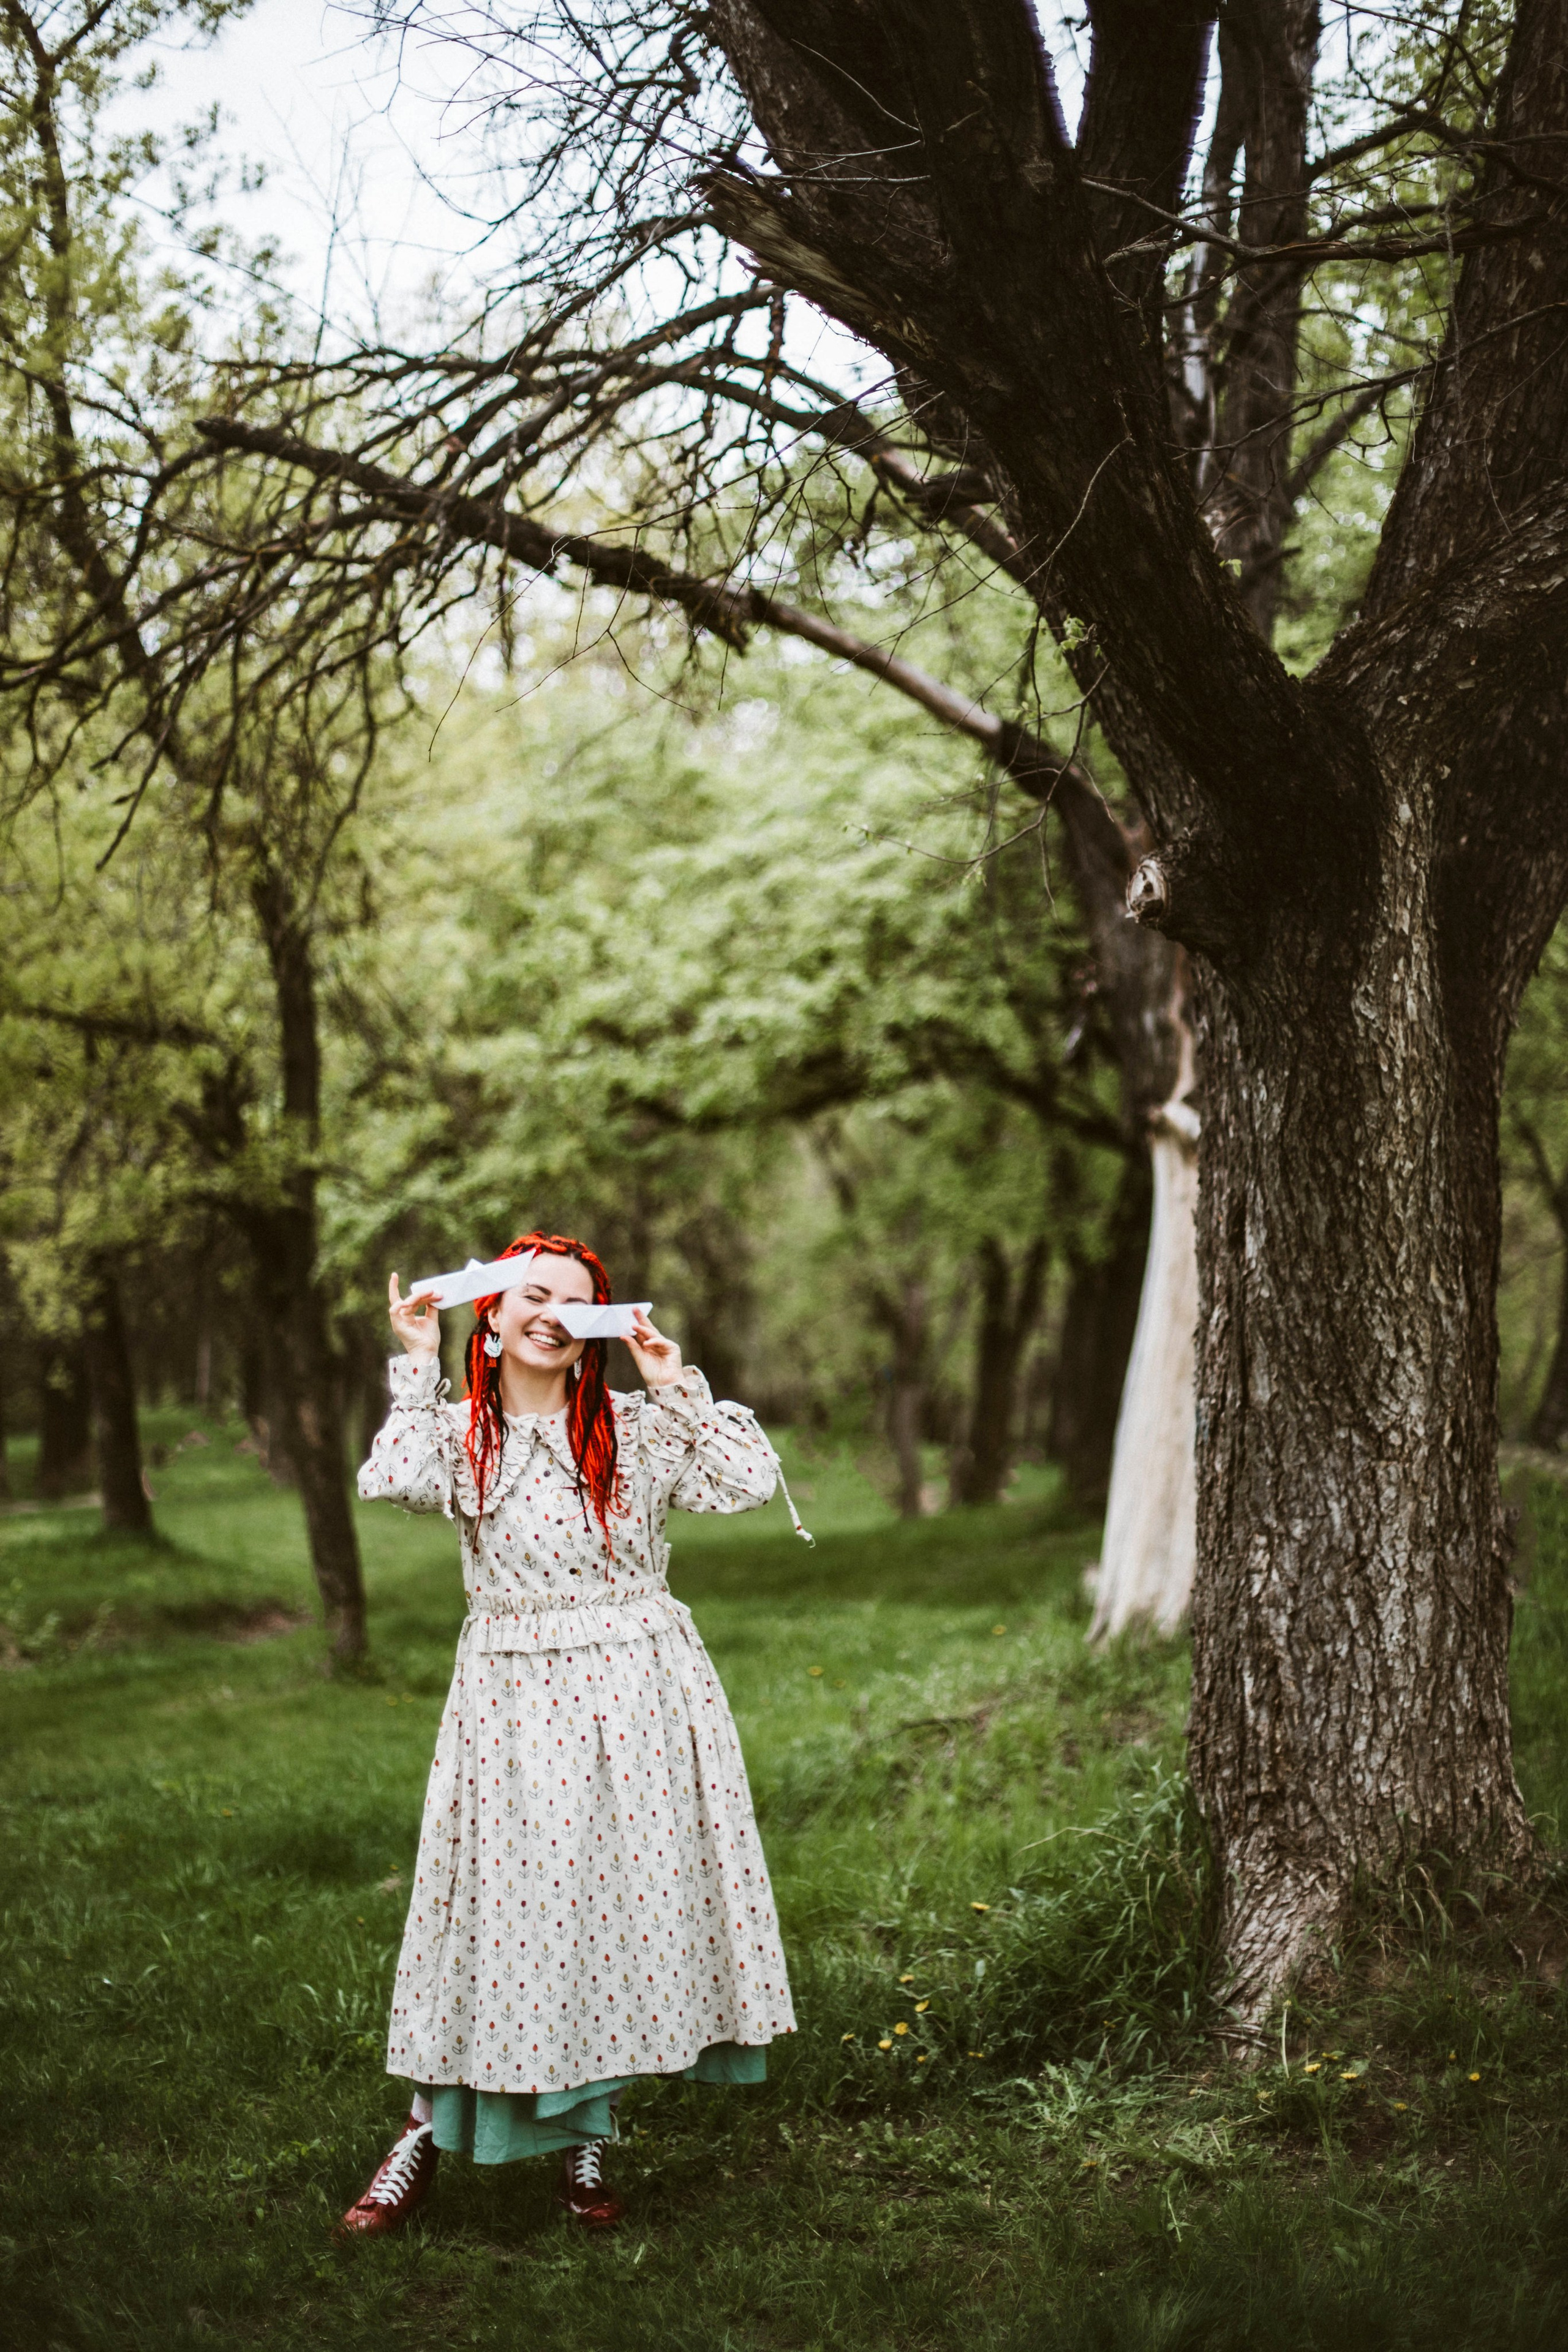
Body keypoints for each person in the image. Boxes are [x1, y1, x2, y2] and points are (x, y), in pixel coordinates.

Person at [337, 1231, 799, 2236]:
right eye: (531, 1294)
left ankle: (590, 2136)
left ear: (596, 1324)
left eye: (577, 1300)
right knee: (496, 1911)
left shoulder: (632, 1430)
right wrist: (415, 1361)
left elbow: (750, 1481)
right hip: (510, 1700)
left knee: (615, 1907)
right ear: (492, 1315)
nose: (551, 1311)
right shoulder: (463, 1435)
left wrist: (676, 1383)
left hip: (642, 1688)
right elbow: (395, 1477)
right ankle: (420, 2131)